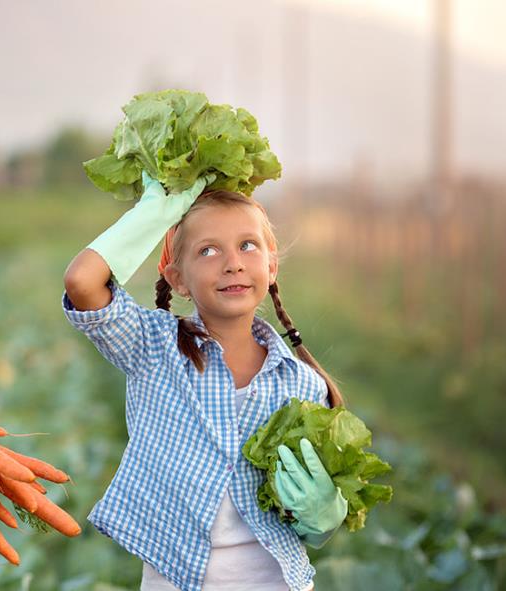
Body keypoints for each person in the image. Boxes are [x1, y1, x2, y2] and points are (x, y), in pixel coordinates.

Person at [62, 171, 348, 590]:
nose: (232, 262)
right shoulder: (153, 349)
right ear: (177, 277)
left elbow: (304, 520)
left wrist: (323, 520)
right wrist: (153, 215)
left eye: (247, 245)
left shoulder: (303, 386)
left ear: (270, 266)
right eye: (208, 250)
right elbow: (82, 283)